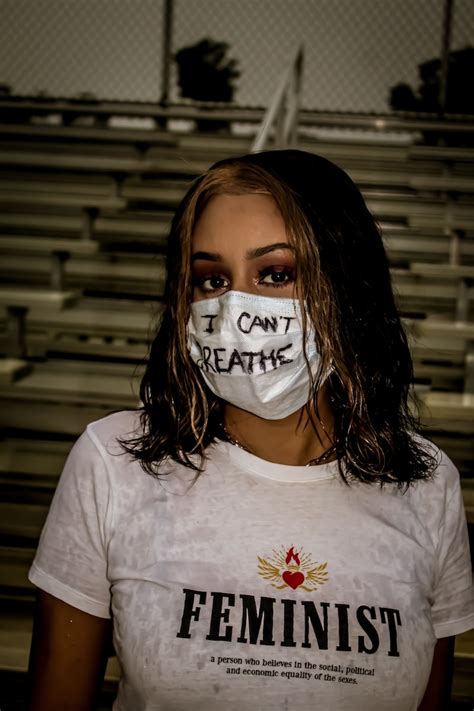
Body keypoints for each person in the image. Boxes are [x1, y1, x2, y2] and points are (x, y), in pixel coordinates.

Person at [27, 150, 473, 710]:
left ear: (346, 286)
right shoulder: (113, 464)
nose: (237, 308)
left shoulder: (427, 486)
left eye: (276, 274)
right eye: (212, 279)